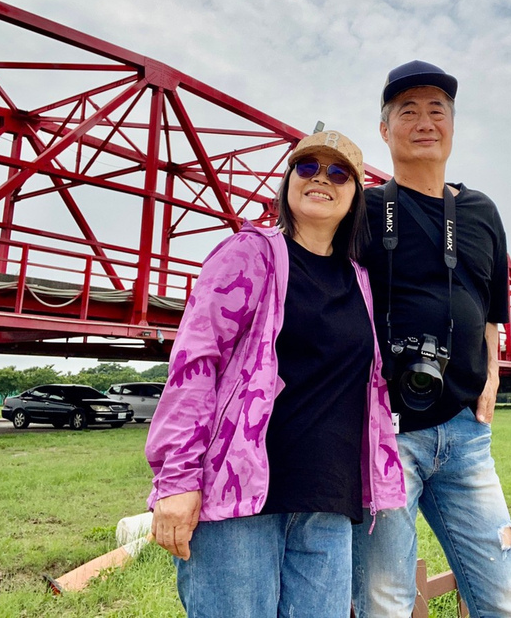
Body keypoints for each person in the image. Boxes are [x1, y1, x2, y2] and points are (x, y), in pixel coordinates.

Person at [145, 130, 406, 618]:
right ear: (288, 181)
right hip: (240, 504)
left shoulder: (363, 281)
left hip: (328, 504)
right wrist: (176, 480)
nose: (321, 179)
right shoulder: (249, 254)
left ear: (354, 196)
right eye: (307, 167)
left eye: (338, 172)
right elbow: (195, 364)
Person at [351, 61, 511, 617]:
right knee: (385, 601)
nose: (425, 121)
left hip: (466, 438)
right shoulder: (362, 208)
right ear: (385, 130)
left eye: (438, 110)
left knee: (506, 598)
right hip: (384, 434)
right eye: (407, 111)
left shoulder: (480, 212)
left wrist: (493, 370)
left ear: (453, 125)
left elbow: (490, 310)